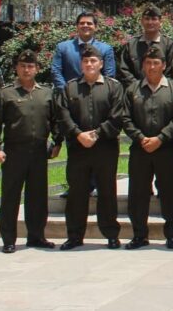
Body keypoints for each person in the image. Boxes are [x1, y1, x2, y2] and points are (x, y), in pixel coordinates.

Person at [0, 50, 61, 253]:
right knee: (10, 197)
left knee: (37, 197)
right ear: (16, 68)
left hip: (39, 152)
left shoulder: (46, 93)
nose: (27, 70)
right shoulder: (7, 93)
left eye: (31, 66)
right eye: (22, 66)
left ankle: (36, 236)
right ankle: (9, 239)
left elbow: (55, 121)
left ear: (37, 68)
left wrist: (57, 143)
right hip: (14, 152)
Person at [56, 44, 128, 250]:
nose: (89, 64)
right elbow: (63, 115)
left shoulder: (113, 87)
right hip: (78, 148)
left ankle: (111, 234)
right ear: (81, 64)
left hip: (105, 148)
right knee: (77, 193)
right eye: (86, 61)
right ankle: (75, 235)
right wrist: (78, 134)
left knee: (107, 192)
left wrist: (96, 134)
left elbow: (117, 116)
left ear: (101, 64)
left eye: (93, 61)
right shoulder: (70, 88)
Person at [122, 45, 173, 250]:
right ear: (143, 66)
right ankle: (139, 235)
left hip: (166, 149)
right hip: (140, 150)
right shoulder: (133, 90)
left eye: (156, 63)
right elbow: (125, 118)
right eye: (148, 63)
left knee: (170, 192)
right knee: (137, 194)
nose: (152, 67)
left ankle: (172, 235)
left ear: (164, 65)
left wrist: (161, 138)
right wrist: (140, 138)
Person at [50, 12, 116, 90]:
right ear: (77, 26)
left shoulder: (106, 49)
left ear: (95, 27)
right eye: (82, 23)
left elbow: (109, 74)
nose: (85, 25)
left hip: (96, 96)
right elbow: (56, 71)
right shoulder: (63, 47)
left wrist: (98, 93)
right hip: (68, 95)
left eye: (89, 23)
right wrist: (66, 91)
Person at [116, 5, 173, 87]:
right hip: (136, 93)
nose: (150, 22)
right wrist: (137, 88)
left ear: (160, 22)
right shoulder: (131, 44)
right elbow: (123, 69)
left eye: (154, 19)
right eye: (147, 19)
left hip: (161, 91)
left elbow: (171, 71)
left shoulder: (169, 45)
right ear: (141, 21)